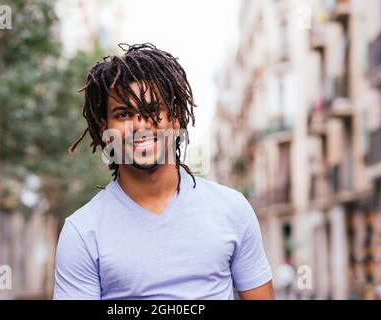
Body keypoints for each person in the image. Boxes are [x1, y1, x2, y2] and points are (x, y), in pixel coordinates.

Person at [53, 43, 274, 300]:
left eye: (151, 110)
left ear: (176, 117)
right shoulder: (82, 232)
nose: (140, 125)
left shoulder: (233, 210)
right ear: (105, 129)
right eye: (124, 114)